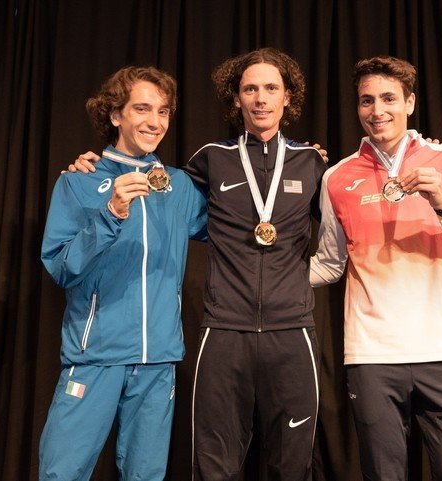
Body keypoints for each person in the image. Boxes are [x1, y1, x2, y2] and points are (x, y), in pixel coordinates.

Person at [69, 48, 327, 481]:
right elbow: (159, 189)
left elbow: (346, 239)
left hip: (293, 332)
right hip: (224, 332)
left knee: (293, 464)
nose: (260, 98)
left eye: (270, 88)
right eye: (250, 89)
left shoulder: (313, 162)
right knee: (213, 465)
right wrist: (91, 166)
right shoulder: (209, 159)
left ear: (288, 98)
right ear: (237, 99)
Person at [309, 55, 442, 481]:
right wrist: (260, 270)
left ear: (410, 102)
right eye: (366, 100)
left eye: (388, 98)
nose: (377, 111)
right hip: (372, 356)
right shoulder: (337, 177)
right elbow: (328, 264)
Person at [39, 66, 207, 481]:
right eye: (142, 109)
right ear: (116, 115)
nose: (155, 122)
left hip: (159, 359)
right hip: (96, 355)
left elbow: (238, 222)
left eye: (164, 111)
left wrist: (296, 160)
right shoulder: (80, 181)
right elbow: (62, 267)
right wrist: (111, 213)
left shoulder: (180, 186)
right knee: (62, 473)